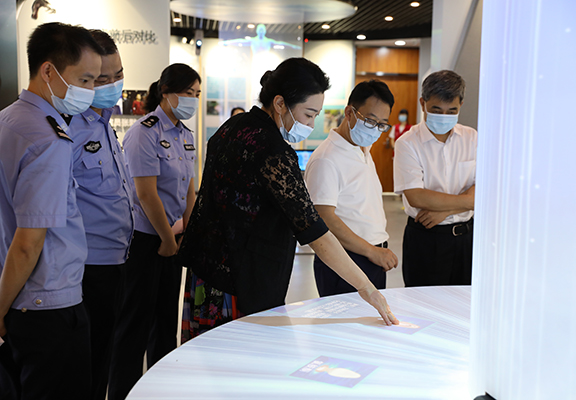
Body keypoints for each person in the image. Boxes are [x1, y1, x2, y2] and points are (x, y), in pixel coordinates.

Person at [178, 58, 398, 341]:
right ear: (280, 103)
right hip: (242, 281)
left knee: (208, 355)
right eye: (308, 114)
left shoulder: (231, 127)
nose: (311, 124)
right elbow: (315, 230)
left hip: (206, 273)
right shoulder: (274, 152)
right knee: (241, 356)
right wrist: (366, 288)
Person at [0, 22, 103, 399]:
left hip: (19, 300)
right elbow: (29, 242)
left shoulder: (9, 120)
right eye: (85, 80)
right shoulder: (49, 139)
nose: (90, 91)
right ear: (48, 70)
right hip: (48, 305)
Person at [108, 63, 200, 400]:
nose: (192, 100)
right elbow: (145, 194)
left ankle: (161, 390)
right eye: (187, 93)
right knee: (135, 322)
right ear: (166, 92)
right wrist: (165, 239)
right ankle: (123, 392)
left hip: (173, 239)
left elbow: (189, 190)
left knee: (165, 321)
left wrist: (187, 232)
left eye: (197, 94)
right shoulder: (144, 132)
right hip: (146, 239)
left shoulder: (186, 135)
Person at [68, 29, 134, 400]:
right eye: (102, 79)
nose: (113, 85)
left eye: (118, 75)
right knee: (87, 366)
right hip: (87, 266)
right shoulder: (71, 126)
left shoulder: (104, 122)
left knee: (104, 356)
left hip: (116, 259)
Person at [305, 80, 398, 297]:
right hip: (345, 259)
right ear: (349, 113)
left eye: (382, 124)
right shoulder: (327, 158)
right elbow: (324, 218)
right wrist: (371, 251)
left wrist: (376, 251)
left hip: (372, 256)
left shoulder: (362, 147)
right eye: (370, 120)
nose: (375, 129)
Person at [393, 70, 476, 287]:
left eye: (452, 111)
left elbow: (486, 188)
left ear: (461, 105)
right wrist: (469, 201)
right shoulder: (407, 143)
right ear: (423, 103)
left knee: (465, 302)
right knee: (423, 302)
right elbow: (416, 197)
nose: (444, 116)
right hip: (426, 238)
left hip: (468, 238)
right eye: (437, 110)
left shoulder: (472, 138)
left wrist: (445, 211)